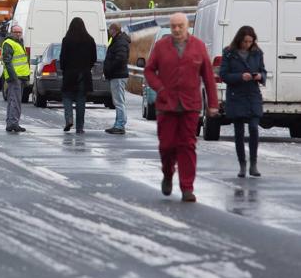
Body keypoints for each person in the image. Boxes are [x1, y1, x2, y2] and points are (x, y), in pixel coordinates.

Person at [144, 13, 219, 202]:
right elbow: (149, 70)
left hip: (190, 105)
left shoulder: (198, 47)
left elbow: (209, 77)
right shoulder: (161, 46)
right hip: (167, 105)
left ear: (187, 27)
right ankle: (168, 174)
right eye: (173, 26)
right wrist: (160, 88)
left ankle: (187, 187)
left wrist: (213, 104)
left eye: (180, 26)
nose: (176, 30)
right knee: (167, 146)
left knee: (187, 146)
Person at [220, 26, 266, 178]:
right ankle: (242, 164)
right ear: (239, 39)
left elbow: (263, 71)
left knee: (254, 127)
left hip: (253, 95)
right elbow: (224, 75)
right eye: (245, 41)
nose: (247, 44)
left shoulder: (257, 53)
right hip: (236, 96)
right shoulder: (229, 53)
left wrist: (260, 76)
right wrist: (240, 77)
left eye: (250, 42)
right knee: (238, 132)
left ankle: (254, 163)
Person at [59, 17, 97, 134]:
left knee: (67, 97)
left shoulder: (66, 40)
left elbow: (62, 58)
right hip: (84, 75)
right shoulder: (90, 40)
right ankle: (80, 127)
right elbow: (94, 58)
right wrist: (87, 67)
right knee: (81, 100)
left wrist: (64, 69)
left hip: (70, 74)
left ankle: (69, 119)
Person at [103, 23, 131, 134]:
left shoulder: (120, 42)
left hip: (118, 75)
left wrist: (110, 68)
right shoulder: (119, 41)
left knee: (119, 102)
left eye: (110, 30)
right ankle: (118, 123)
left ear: (114, 30)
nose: (109, 32)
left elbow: (120, 59)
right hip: (117, 75)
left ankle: (120, 125)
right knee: (118, 101)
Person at [1, 25, 30, 132]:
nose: (18, 34)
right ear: (11, 32)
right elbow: (7, 61)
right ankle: (13, 123)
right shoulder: (9, 43)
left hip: (20, 76)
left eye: (20, 32)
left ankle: (11, 123)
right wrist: (13, 77)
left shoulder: (18, 42)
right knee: (15, 101)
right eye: (16, 32)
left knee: (13, 100)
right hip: (15, 77)